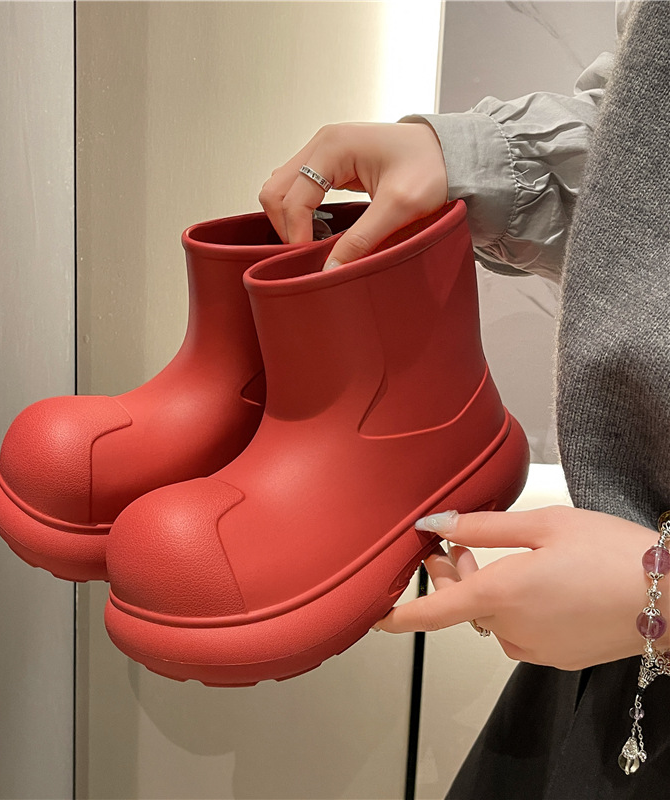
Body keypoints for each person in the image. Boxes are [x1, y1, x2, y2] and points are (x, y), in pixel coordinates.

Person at [259, 1, 669, 797]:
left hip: (635, 598)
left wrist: (662, 596)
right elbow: (647, 167)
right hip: (623, 593)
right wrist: (462, 158)